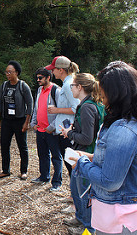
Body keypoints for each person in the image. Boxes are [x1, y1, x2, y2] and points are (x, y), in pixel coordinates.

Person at [71, 61, 137, 235]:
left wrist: (82, 162)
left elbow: (110, 181)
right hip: (118, 214)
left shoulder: (123, 128)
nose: (101, 95)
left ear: (116, 93)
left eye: (103, 92)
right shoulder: (126, 122)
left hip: (119, 218)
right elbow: (123, 162)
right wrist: (93, 157)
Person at [60, 73, 105, 234]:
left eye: (72, 85)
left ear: (80, 87)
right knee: (75, 187)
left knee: (84, 192)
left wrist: (69, 133)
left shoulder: (87, 107)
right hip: (82, 154)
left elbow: (87, 138)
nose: (70, 88)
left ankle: (87, 226)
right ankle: (80, 218)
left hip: (86, 155)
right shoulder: (88, 104)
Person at [0, 60, 33, 180]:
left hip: (19, 120)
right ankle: (5, 170)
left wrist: (27, 122)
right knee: (4, 145)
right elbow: (0, 102)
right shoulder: (4, 85)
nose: (7, 74)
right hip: (7, 120)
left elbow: (30, 105)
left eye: (10, 72)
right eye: (6, 72)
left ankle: (24, 171)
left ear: (16, 72)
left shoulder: (22, 86)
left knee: (22, 146)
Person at [45, 56, 80, 179]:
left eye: (53, 69)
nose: (52, 72)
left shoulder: (68, 85)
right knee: (69, 162)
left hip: (68, 130)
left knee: (71, 163)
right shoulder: (67, 83)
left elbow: (76, 108)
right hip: (64, 129)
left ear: (61, 70)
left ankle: (76, 194)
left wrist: (56, 110)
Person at [30, 67, 63, 191]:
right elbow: (36, 108)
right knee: (42, 154)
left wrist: (52, 127)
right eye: (37, 78)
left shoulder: (56, 91)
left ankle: (57, 182)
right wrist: (33, 124)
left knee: (56, 156)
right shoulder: (39, 90)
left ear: (48, 77)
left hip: (51, 131)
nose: (38, 80)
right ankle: (44, 176)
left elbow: (61, 112)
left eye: (40, 78)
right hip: (40, 130)